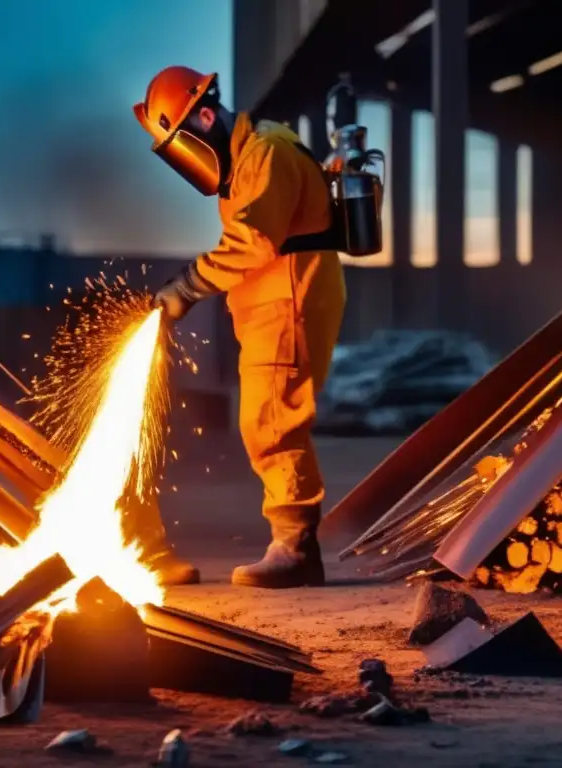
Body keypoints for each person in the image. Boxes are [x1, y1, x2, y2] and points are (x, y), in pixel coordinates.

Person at [133, 66, 346, 589]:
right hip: (271, 303)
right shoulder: (253, 155)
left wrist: (185, 287)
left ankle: (295, 549)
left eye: (182, 141)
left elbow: (252, 243)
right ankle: (293, 544)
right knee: (265, 420)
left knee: (271, 422)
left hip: (289, 300)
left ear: (204, 117)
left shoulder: (265, 154)